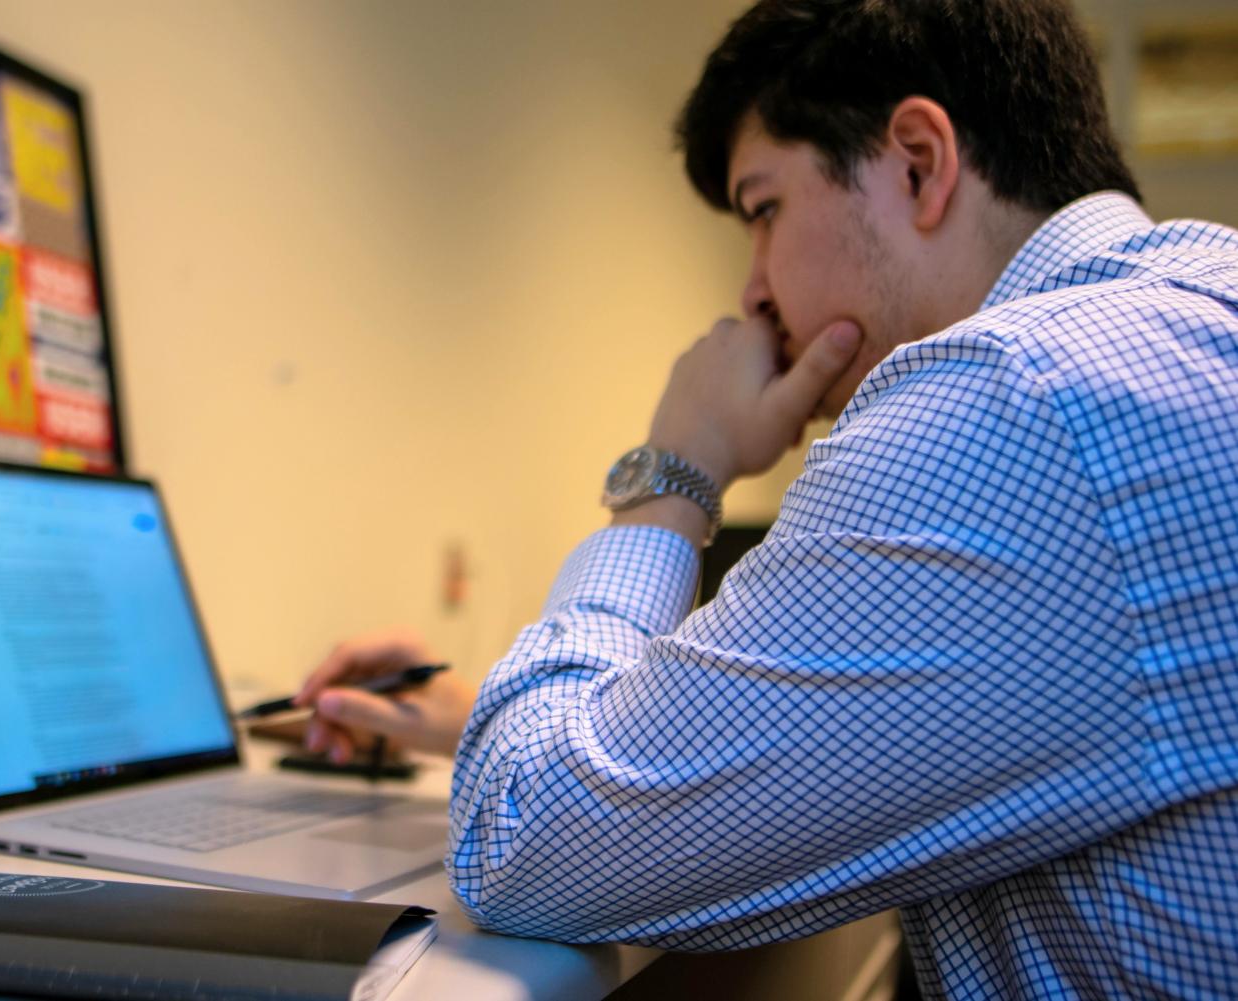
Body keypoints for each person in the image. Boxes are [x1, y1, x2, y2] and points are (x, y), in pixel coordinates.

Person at [294, 1, 1238, 996]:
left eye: (763, 210)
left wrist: (675, 466)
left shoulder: (1012, 396)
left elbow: (524, 839)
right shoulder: (1185, 313)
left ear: (918, 163)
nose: (752, 292)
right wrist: (493, 711)